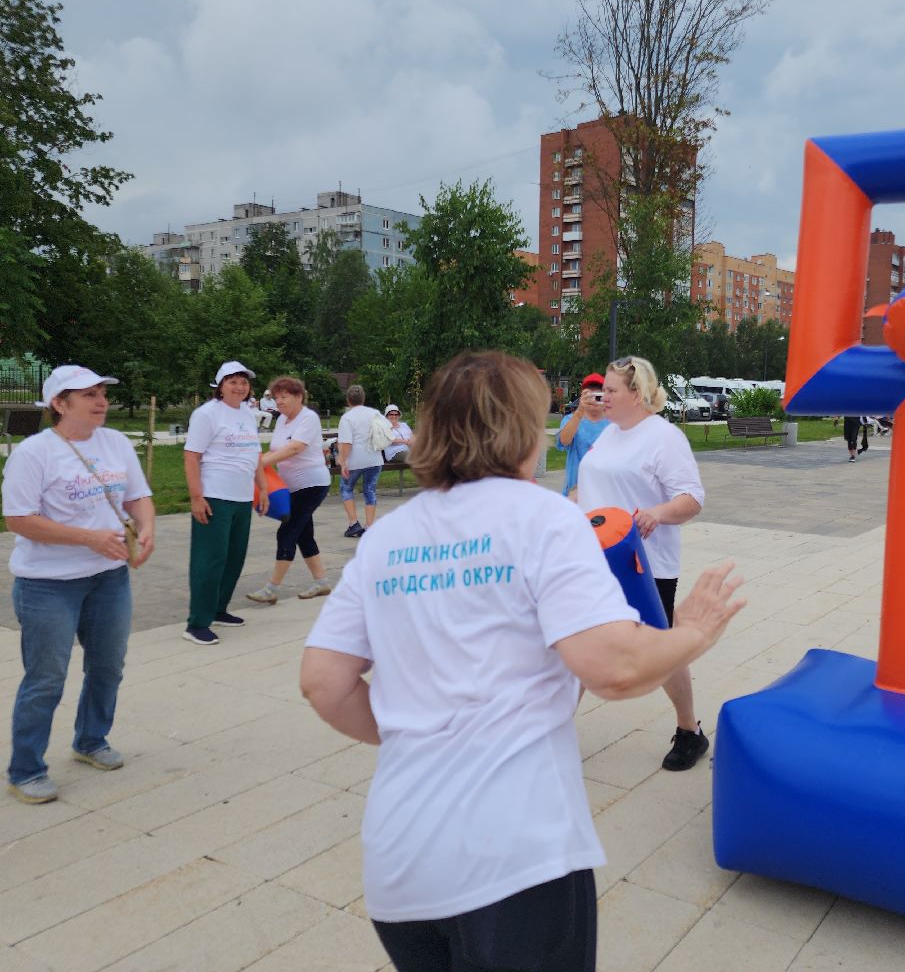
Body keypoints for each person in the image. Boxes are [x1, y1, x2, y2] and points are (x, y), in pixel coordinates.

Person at [299, 350, 744, 972]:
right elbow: (612, 669)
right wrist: (693, 631)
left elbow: (323, 682)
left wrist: (420, 728)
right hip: (517, 860)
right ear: (518, 431)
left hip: (400, 862)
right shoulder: (546, 519)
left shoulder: (387, 538)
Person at [2, 365, 156, 804]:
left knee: (108, 666)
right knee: (46, 678)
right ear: (59, 404)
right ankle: (25, 768)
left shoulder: (116, 443)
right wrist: (88, 538)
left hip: (109, 579)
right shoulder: (35, 453)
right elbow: (18, 518)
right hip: (47, 584)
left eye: (102, 392)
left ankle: (91, 740)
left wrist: (147, 529)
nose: (100, 401)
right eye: (87, 394)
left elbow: (137, 496)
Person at [577, 356, 710, 771]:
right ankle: (549, 731)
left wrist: (656, 513)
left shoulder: (663, 437)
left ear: (637, 394)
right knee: (574, 642)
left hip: (644, 564)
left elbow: (692, 498)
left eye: (612, 390)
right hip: (592, 559)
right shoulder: (608, 435)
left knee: (660, 653)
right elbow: (592, 493)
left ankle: (690, 731)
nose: (603, 397)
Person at [184, 361, 268, 645]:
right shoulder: (206, 414)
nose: (239, 386)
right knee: (210, 560)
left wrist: (263, 489)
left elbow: (255, 454)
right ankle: (197, 623)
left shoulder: (246, 412)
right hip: (214, 496)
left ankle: (219, 609)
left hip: (242, 497)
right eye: (233, 381)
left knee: (234, 558)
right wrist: (197, 497)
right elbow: (191, 456)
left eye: (244, 382)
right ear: (220, 386)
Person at [249, 376, 333, 601]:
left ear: (298, 397)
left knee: (287, 531)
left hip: (311, 484)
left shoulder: (309, 418)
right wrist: (256, 462)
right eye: (276, 398)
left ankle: (271, 589)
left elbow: (294, 448)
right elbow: (276, 450)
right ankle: (322, 582)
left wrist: (261, 463)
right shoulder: (281, 420)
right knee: (304, 534)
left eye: (284, 397)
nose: (279, 402)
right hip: (291, 487)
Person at [335, 385, 385, 539]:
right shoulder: (375, 413)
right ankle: (370, 525)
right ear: (363, 398)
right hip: (375, 458)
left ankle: (353, 524)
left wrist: (343, 461)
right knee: (369, 490)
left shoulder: (347, 417)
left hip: (355, 459)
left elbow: (347, 443)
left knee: (346, 488)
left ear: (348, 400)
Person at [555, 373, 610, 497]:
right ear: (582, 396)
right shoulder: (571, 419)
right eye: (589, 394)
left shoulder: (615, 422)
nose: (594, 399)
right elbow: (564, 441)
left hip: (605, 492)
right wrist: (580, 412)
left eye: (598, 395)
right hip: (575, 492)